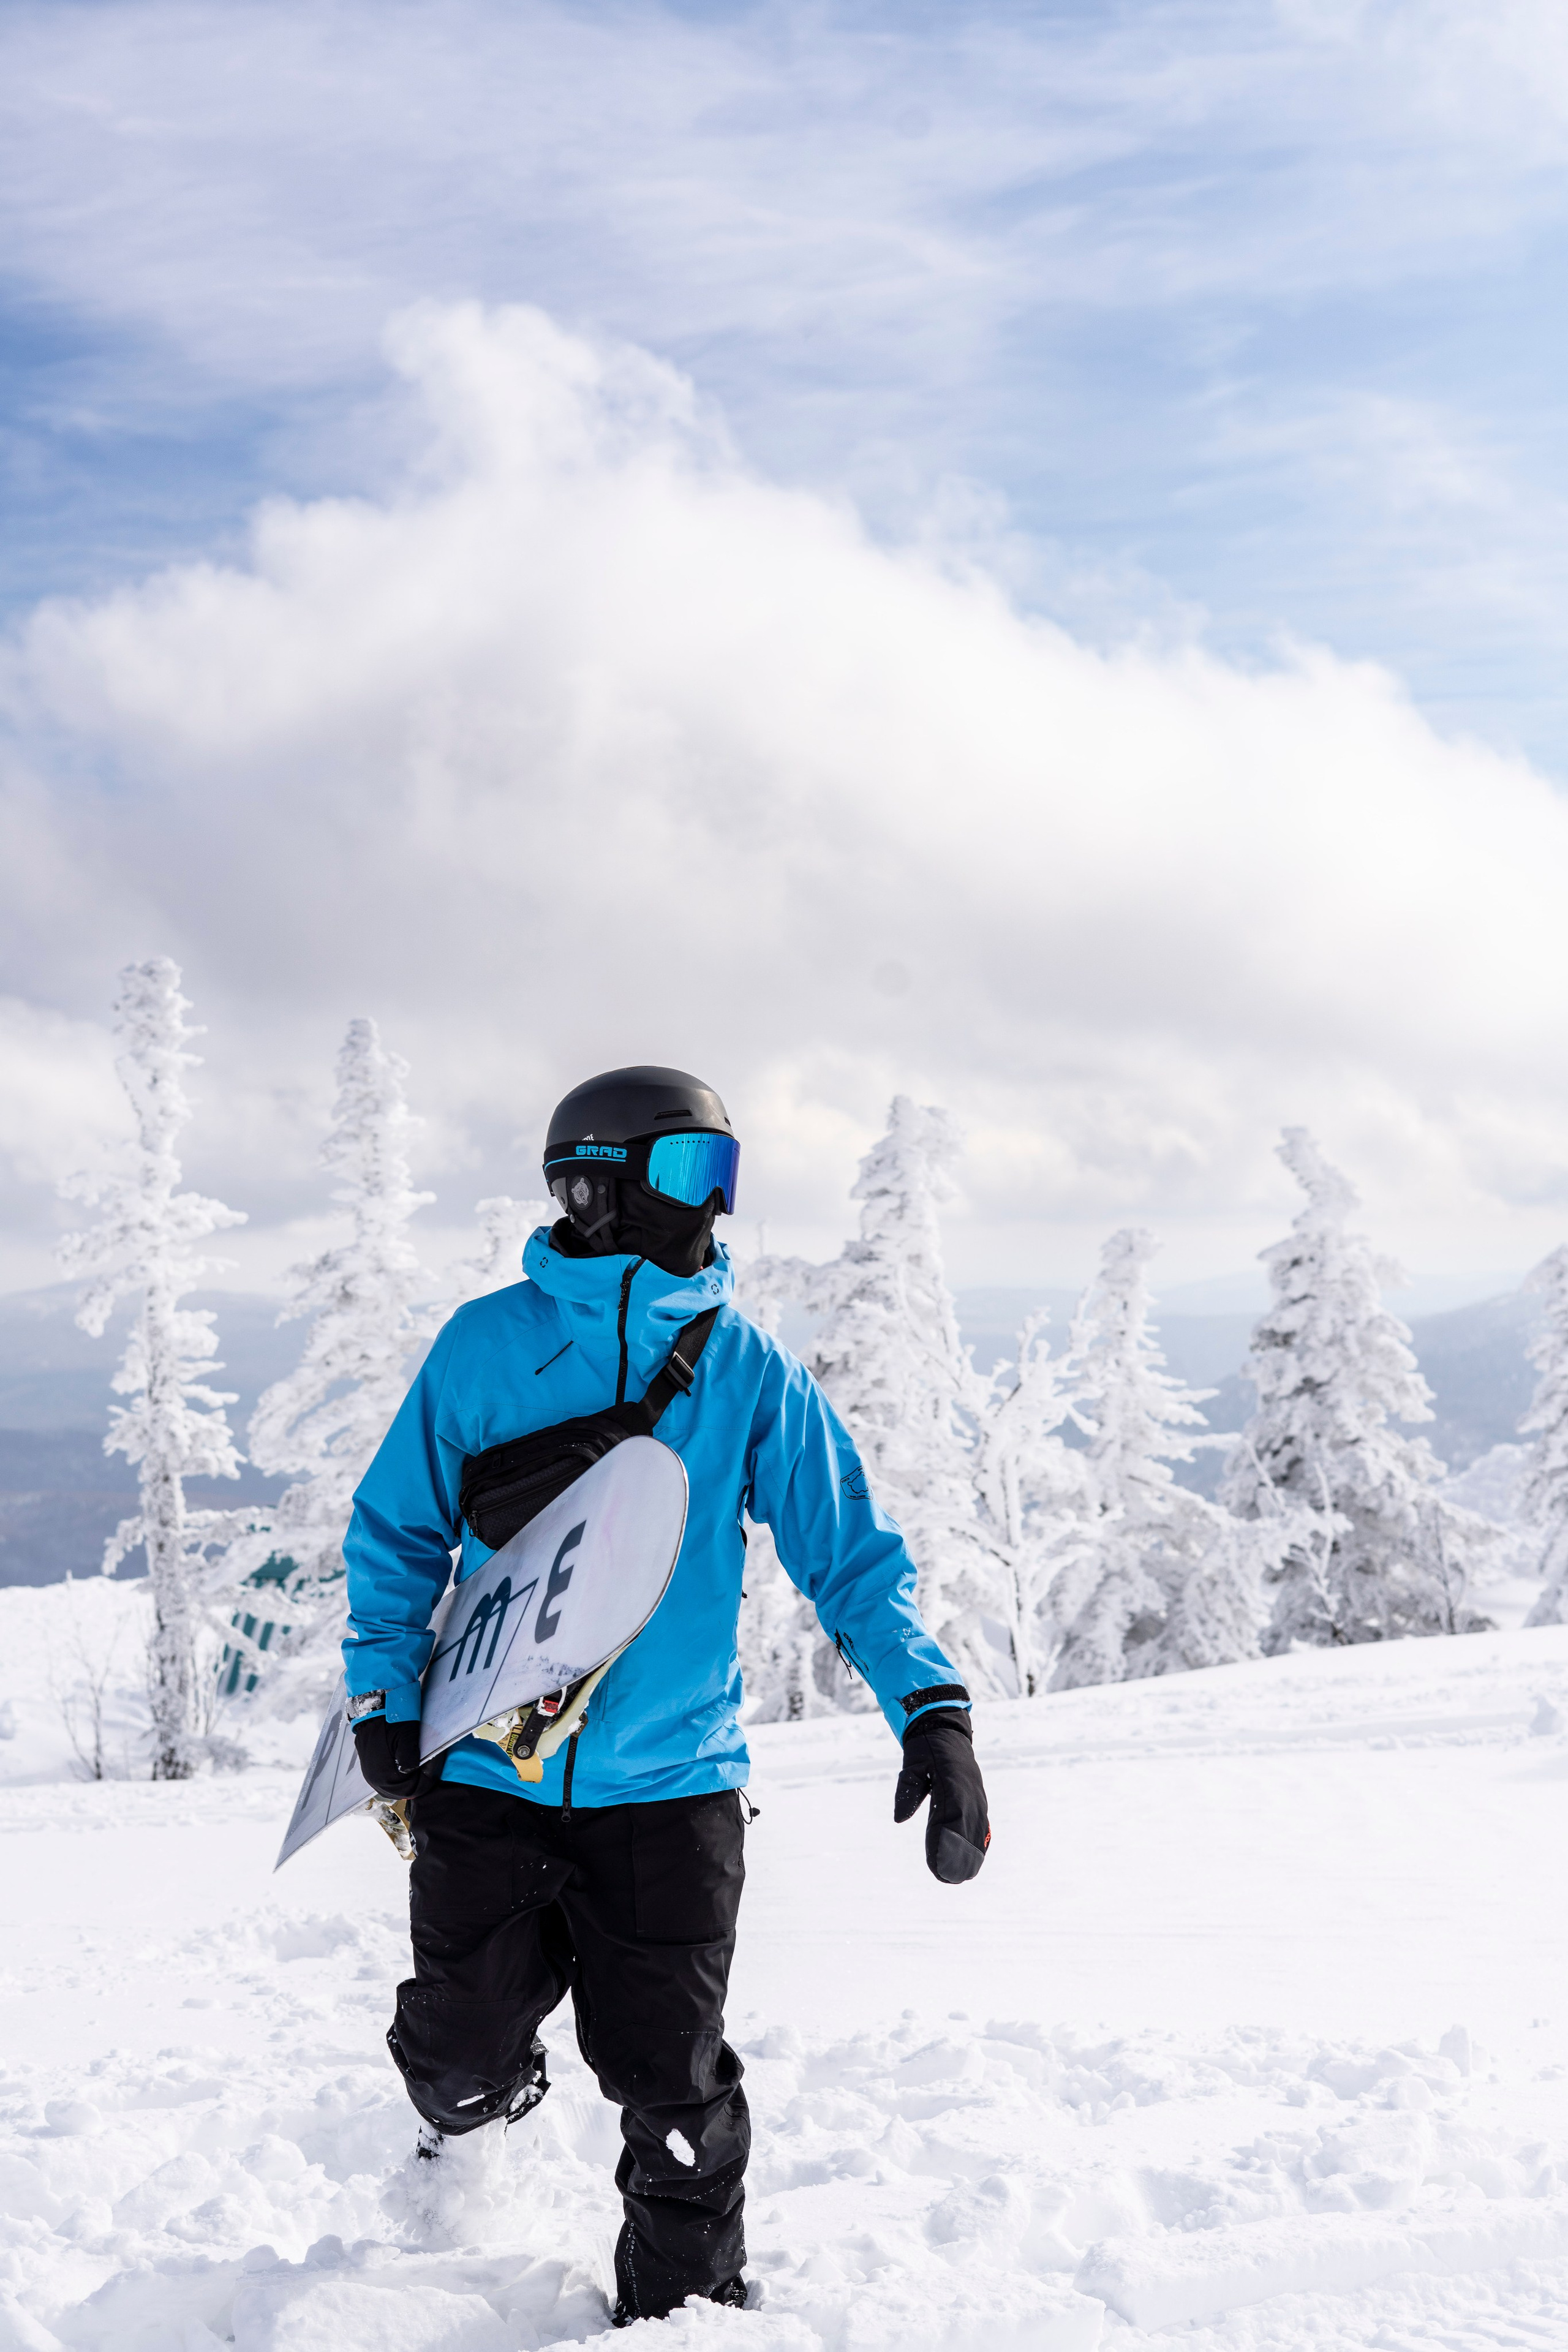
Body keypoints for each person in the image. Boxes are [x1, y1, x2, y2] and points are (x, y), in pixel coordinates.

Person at [340, 1065, 990, 2326]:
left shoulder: (744, 1369)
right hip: (489, 1771)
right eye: (688, 1173)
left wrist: (934, 1711)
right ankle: (474, 2117)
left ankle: (682, 2315)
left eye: (721, 1178)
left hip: (671, 1787)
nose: (712, 1208)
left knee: (669, 2084)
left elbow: (848, 1550)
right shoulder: (487, 1348)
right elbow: (396, 1535)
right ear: (590, 1185)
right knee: (454, 2057)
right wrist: (381, 1700)